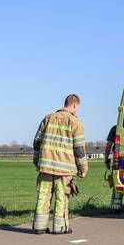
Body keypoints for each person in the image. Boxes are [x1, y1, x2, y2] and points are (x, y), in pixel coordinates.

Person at [32, 93, 88, 234]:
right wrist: (83, 168)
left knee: (43, 195)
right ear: (75, 105)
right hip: (65, 169)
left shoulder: (48, 118)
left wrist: (37, 161)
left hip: (45, 166)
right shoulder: (75, 123)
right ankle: (60, 227)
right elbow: (79, 150)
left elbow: (37, 142)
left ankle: (39, 226)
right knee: (62, 196)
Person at [104, 124, 124, 213]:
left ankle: (116, 207)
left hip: (118, 158)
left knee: (117, 182)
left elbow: (109, 144)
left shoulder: (115, 128)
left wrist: (106, 159)